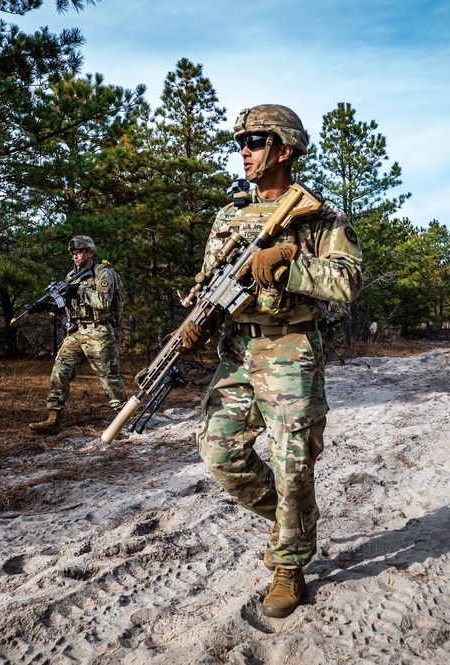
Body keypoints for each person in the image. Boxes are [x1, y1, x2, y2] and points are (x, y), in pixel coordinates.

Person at [180, 105, 363, 618]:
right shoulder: (228, 216)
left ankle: (288, 564)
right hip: (238, 349)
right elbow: (211, 283)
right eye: (240, 141)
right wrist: (198, 321)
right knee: (220, 453)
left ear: (284, 149)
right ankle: (294, 520)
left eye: (255, 141)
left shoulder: (320, 215)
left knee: (293, 462)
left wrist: (288, 263)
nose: (244, 150)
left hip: (291, 349)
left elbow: (347, 283)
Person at [29, 235, 127, 435]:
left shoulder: (103, 273)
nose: (75, 256)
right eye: (73, 253)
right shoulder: (70, 276)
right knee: (59, 372)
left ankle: (125, 420)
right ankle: (53, 419)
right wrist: (45, 306)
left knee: (109, 378)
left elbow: (103, 302)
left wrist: (79, 289)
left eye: (79, 252)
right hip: (76, 332)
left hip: (98, 332)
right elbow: (65, 304)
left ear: (90, 252)